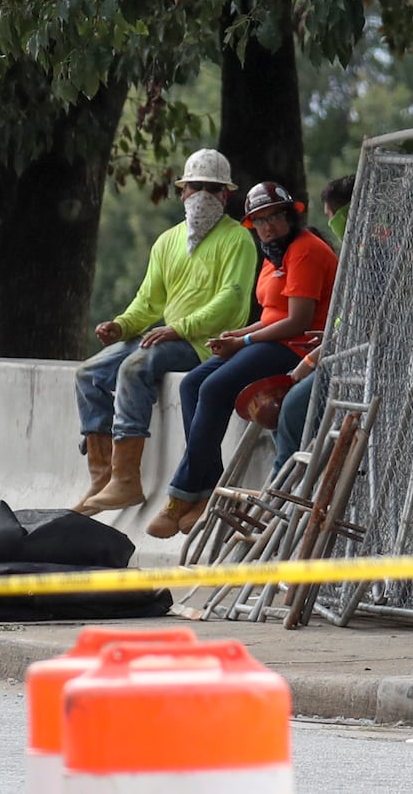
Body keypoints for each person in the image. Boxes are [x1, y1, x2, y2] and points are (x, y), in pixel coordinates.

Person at [147, 182, 339, 538]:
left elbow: (297, 321)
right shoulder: (273, 254)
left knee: (216, 388)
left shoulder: (304, 250)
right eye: (260, 221)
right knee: (192, 385)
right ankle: (206, 488)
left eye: (274, 218)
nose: (268, 226)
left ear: (290, 216)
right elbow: (271, 315)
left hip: (298, 347)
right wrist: (237, 336)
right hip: (273, 338)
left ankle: (181, 492)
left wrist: (245, 339)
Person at [70, 149, 256, 516]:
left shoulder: (238, 240)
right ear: (182, 193)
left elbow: (230, 303)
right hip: (167, 333)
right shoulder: (167, 241)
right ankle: (103, 474)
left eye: (211, 188)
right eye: (194, 188)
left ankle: (127, 480)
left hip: (205, 344)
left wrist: (179, 329)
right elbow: (148, 301)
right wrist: (122, 325)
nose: (201, 195)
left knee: (135, 366)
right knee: (89, 373)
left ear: (225, 196)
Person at [272, 174, 356, 473]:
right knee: (277, 407)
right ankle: (285, 484)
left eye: (331, 216)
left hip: (360, 362)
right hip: (340, 352)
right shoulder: (355, 253)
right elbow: (346, 319)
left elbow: (361, 323)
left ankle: (282, 495)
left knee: (294, 406)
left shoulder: (373, 253)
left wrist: (310, 360)